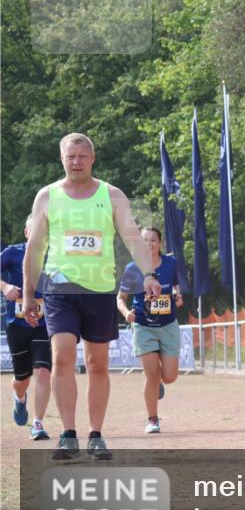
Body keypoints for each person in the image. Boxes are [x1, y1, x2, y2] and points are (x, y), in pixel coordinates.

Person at [22, 133, 160, 460]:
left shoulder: (111, 195)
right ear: (62, 159)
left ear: (93, 158)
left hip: (99, 289)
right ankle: (68, 434)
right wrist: (29, 294)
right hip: (59, 288)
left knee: (98, 363)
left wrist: (149, 274)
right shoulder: (47, 196)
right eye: (71, 156)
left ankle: (96, 434)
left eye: (83, 156)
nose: (77, 161)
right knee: (62, 356)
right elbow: (35, 248)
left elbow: (130, 236)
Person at [117, 227, 183, 434]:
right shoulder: (132, 268)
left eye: (153, 240)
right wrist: (126, 312)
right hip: (144, 326)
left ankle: (158, 383)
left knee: (170, 376)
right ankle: (153, 419)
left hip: (168, 325)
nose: (149, 244)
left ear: (160, 243)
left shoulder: (171, 263)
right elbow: (120, 298)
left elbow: (175, 284)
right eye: (145, 241)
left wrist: (177, 295)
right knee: (151, 374)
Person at [1, 216, 53, 440]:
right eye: (34, 229)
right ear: (26, 232)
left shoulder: (54, 256)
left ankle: (38, 423)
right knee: (22, 378)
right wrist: (4, 287)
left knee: (43, 371)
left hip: (44, 324)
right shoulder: (12, 253)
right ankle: (19, 399)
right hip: (17, 325)